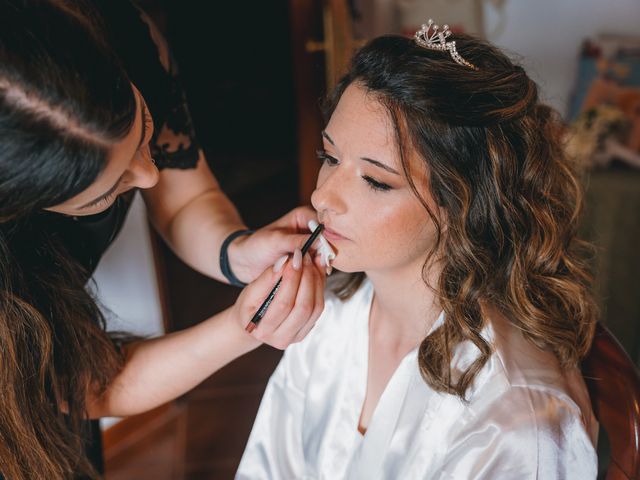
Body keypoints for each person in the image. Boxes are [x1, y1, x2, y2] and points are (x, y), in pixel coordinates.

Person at [237, 24, 599, 479]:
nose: (324, 197)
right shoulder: (329, 315)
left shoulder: (517, 424)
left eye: (375, 180)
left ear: (462, 203)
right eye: (330, 157)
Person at [0, 1, 326, 479]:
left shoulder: (115, 30)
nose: (151, 177)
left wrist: (237, 252)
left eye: (144, 132)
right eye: (107, 194)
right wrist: (245, 325)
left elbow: (182, 198)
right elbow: (87, 385)